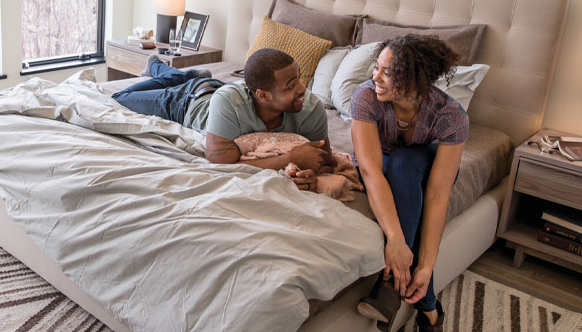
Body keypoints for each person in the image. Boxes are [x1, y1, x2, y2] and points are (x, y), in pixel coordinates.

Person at [352, 35, 466, 332]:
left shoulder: (450, 116)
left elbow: (439, 194)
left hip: (424, 169)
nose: (375, 76)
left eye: (387, 72)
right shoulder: (365, 97)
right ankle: (429, 309)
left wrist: (427, 265)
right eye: (376, 67)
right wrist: (397, 242)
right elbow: (370, 170)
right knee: (398, 164)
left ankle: (389, 285)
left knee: (405, 161)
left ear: (415, 79)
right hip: (383, 166)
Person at [111, 48, 334, 188]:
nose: (303, 89)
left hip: (218, 93)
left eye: (300, 79)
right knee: (121, 96)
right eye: (291, 85)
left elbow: (324, 162)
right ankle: (178, 73)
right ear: (263, 95)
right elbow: (222, 164)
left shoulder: (311, 108)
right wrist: (290, 158)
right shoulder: (228, 102)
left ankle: (181, 74)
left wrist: (309, 175)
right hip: (188, 101)